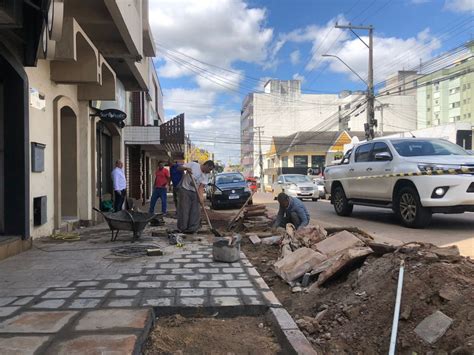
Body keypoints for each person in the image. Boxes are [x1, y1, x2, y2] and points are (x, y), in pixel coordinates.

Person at [177, 160, 215, 233]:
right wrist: (186, 169)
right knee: (184, 210)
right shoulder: (194, 165)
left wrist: (201, 199)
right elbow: (179, 168)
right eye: (209, 169)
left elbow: (201, 187)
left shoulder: (206, 175)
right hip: (185, 190)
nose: (209, 171)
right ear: (206, 165)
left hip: (195, 192)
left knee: (196, 210)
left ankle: (192, 228)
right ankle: (183, 228)